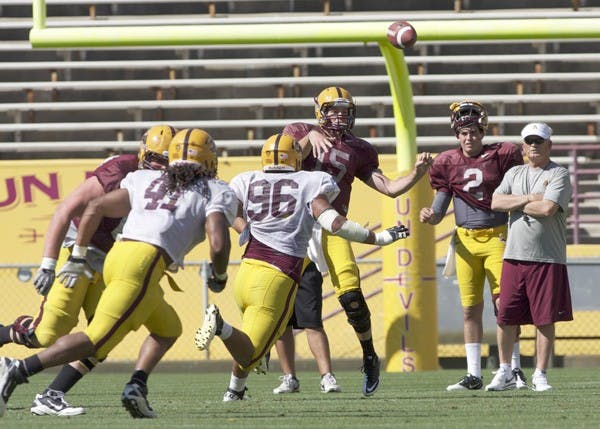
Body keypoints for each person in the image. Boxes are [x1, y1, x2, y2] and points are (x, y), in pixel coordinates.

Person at [0, 128, 238, 418]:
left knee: (168, 328)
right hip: (141, 263)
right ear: (210, 160)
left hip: (118, 257)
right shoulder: (215, 188)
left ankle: (135, 387)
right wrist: (220, 275)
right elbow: (217, 239)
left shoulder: (143, 178)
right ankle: (18, 369)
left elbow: (97, 207)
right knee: (94, 338)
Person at [193, 133, 409, 401]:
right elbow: (336, 224)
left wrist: (245, 228)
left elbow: (229, 211)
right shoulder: (309, 182)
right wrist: (378, 238)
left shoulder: (247, 179)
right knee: (250, 352)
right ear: (296, 157)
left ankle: (235, 391)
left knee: (254, 339)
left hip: (246, 271)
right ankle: (221, 326)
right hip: (277, 277)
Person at [283, 86, 432, 396]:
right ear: (319, 111)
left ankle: (368, 354)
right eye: (332, 109)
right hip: (294, 226)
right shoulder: (298, 131)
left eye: (344, 109)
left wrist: (417, 174)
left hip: (333, 225)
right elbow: (284, 164)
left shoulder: (360, 149)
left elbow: (389, 188)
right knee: (277, 301)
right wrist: (308, 138)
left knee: (351, 298)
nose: (339, 115)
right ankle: (252, 373)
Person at [418, 101, 527, 391]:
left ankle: (514, 369)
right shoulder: (446, 162)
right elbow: (440, 205)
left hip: (498, 237)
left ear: (483, 131)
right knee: (470, 309)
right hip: (465, 241)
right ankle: (474, 374)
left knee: (505, 306)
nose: (470, 138)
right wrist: (430, 215)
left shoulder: (502, 154)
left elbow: (518, 188)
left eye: (474, 132)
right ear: (457, 134)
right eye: (464, 132)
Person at [485, 122, 573, 392]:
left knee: (544, 319)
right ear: (523, 146)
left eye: (539, 141)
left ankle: (540, 373)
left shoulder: (559, 173)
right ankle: (504, 371)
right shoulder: (514, 172)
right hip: (513, 256)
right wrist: (527, 199)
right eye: (529, 141)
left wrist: (517, 201)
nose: (534, 146)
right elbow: (495, 202)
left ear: (550, 145)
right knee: (506, 316)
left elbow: (547, 208)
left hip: (547, 258)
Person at [272, 254, 341, 394]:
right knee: (282, 325)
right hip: (275, 266)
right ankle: (289, 378)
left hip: (305, 263)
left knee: (312, 323)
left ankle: (327, 376)